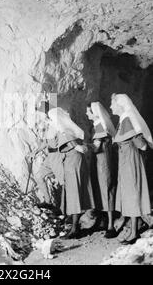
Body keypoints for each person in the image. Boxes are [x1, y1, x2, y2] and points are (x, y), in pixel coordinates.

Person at [111, 93, 152, 245]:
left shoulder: (127, 120)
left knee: (133, 194)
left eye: (112, 103)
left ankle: (134, 232)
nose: (110, 107)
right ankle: (135, 227)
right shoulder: (123, 120)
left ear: (120, 105)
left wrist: (140, 147)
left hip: (130, 161)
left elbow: (140, 143)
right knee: (129, 195)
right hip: (126, 161)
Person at [49, 107, 94, 239]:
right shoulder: (71, 130)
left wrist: (82, 147)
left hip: (72, 165)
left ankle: (75, 229)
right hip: (76, 163)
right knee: (77, 193)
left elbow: (80, 148)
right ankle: (75, 225)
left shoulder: (65, 133)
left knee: (74, 194)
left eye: (51, 119)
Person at [86, 102, 117, 238]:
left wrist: (81, 145)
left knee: (106, 190)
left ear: (95, 113)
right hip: (99, 162)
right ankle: (102, 221)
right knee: (100, 190)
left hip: (103, 163)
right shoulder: (98, 125)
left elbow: (96, 147)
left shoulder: (100, 126)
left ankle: (110, 225)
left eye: (88, 112)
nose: (87, 114)